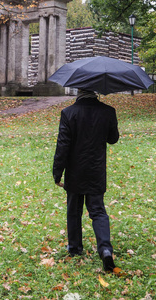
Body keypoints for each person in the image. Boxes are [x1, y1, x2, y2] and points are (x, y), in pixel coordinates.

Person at [53, 89, 119, 272]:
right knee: (98, 210)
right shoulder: (108, 111)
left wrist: (57, 172)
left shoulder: (68, 113)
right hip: (96, 170)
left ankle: (75, 248)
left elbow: (63, 144)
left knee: (74, 210)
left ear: (78, 91)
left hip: (75, 171)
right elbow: (113, 139)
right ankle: (105, 249)